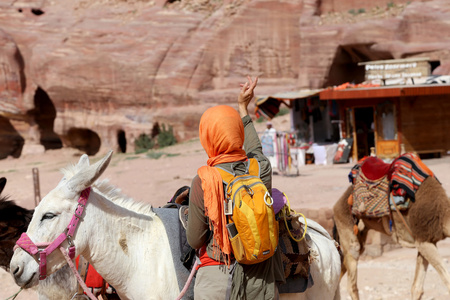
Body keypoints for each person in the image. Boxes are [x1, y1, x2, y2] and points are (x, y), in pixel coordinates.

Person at [187, 76, 285, 299]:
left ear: (207, 137)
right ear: (237, 132)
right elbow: (255, 149)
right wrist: (243, 108)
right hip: (262, 279)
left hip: (218, 277)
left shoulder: (203, 180)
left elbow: (195, 239)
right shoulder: (261, 169)